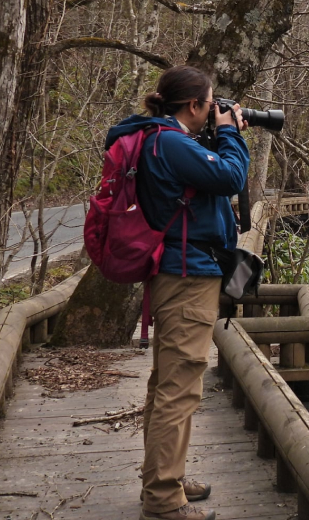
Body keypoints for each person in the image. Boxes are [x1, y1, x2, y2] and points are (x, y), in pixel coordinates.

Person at [105, 66, 249, 520]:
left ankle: (167, 476)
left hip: (178, 272)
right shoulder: (169, 141)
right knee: (179, 388)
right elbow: (230, 178)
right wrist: (231, 135)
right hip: (187, 277)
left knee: (168, 383)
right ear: (194, 106)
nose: (214, 110)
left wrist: (220, 133)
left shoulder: (162, 139)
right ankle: (165, 500)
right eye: (211, 103)